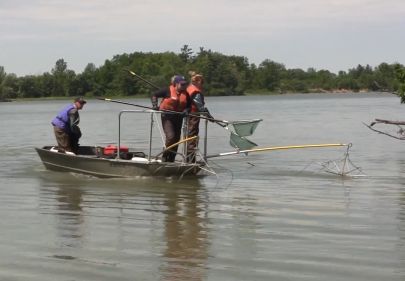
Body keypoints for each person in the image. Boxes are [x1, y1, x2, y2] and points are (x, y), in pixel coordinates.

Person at [151, 75, 191, 162]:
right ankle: (165, 156)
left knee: (177, 139)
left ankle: (171, 159)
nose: (184, 86)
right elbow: (154, 95)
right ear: (176, 84)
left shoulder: (186, 94)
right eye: (182, 84)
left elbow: (189, 106)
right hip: (167, 116)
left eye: (185, 84)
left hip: (178, 117)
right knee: (171, 137)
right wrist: (155, 105)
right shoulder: (167, 90)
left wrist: (186, 110)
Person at [186, 71, 213, 163]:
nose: (202, 85)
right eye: (202, 83)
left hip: (188, 115)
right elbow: (199, 106)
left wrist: (206, 113)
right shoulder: (195, 91)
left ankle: (189, 158)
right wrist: (208, 115)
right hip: (194, 115)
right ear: (197, 82)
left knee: (189, 135)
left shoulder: (189, 88)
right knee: (192, 136)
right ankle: (191, 160)